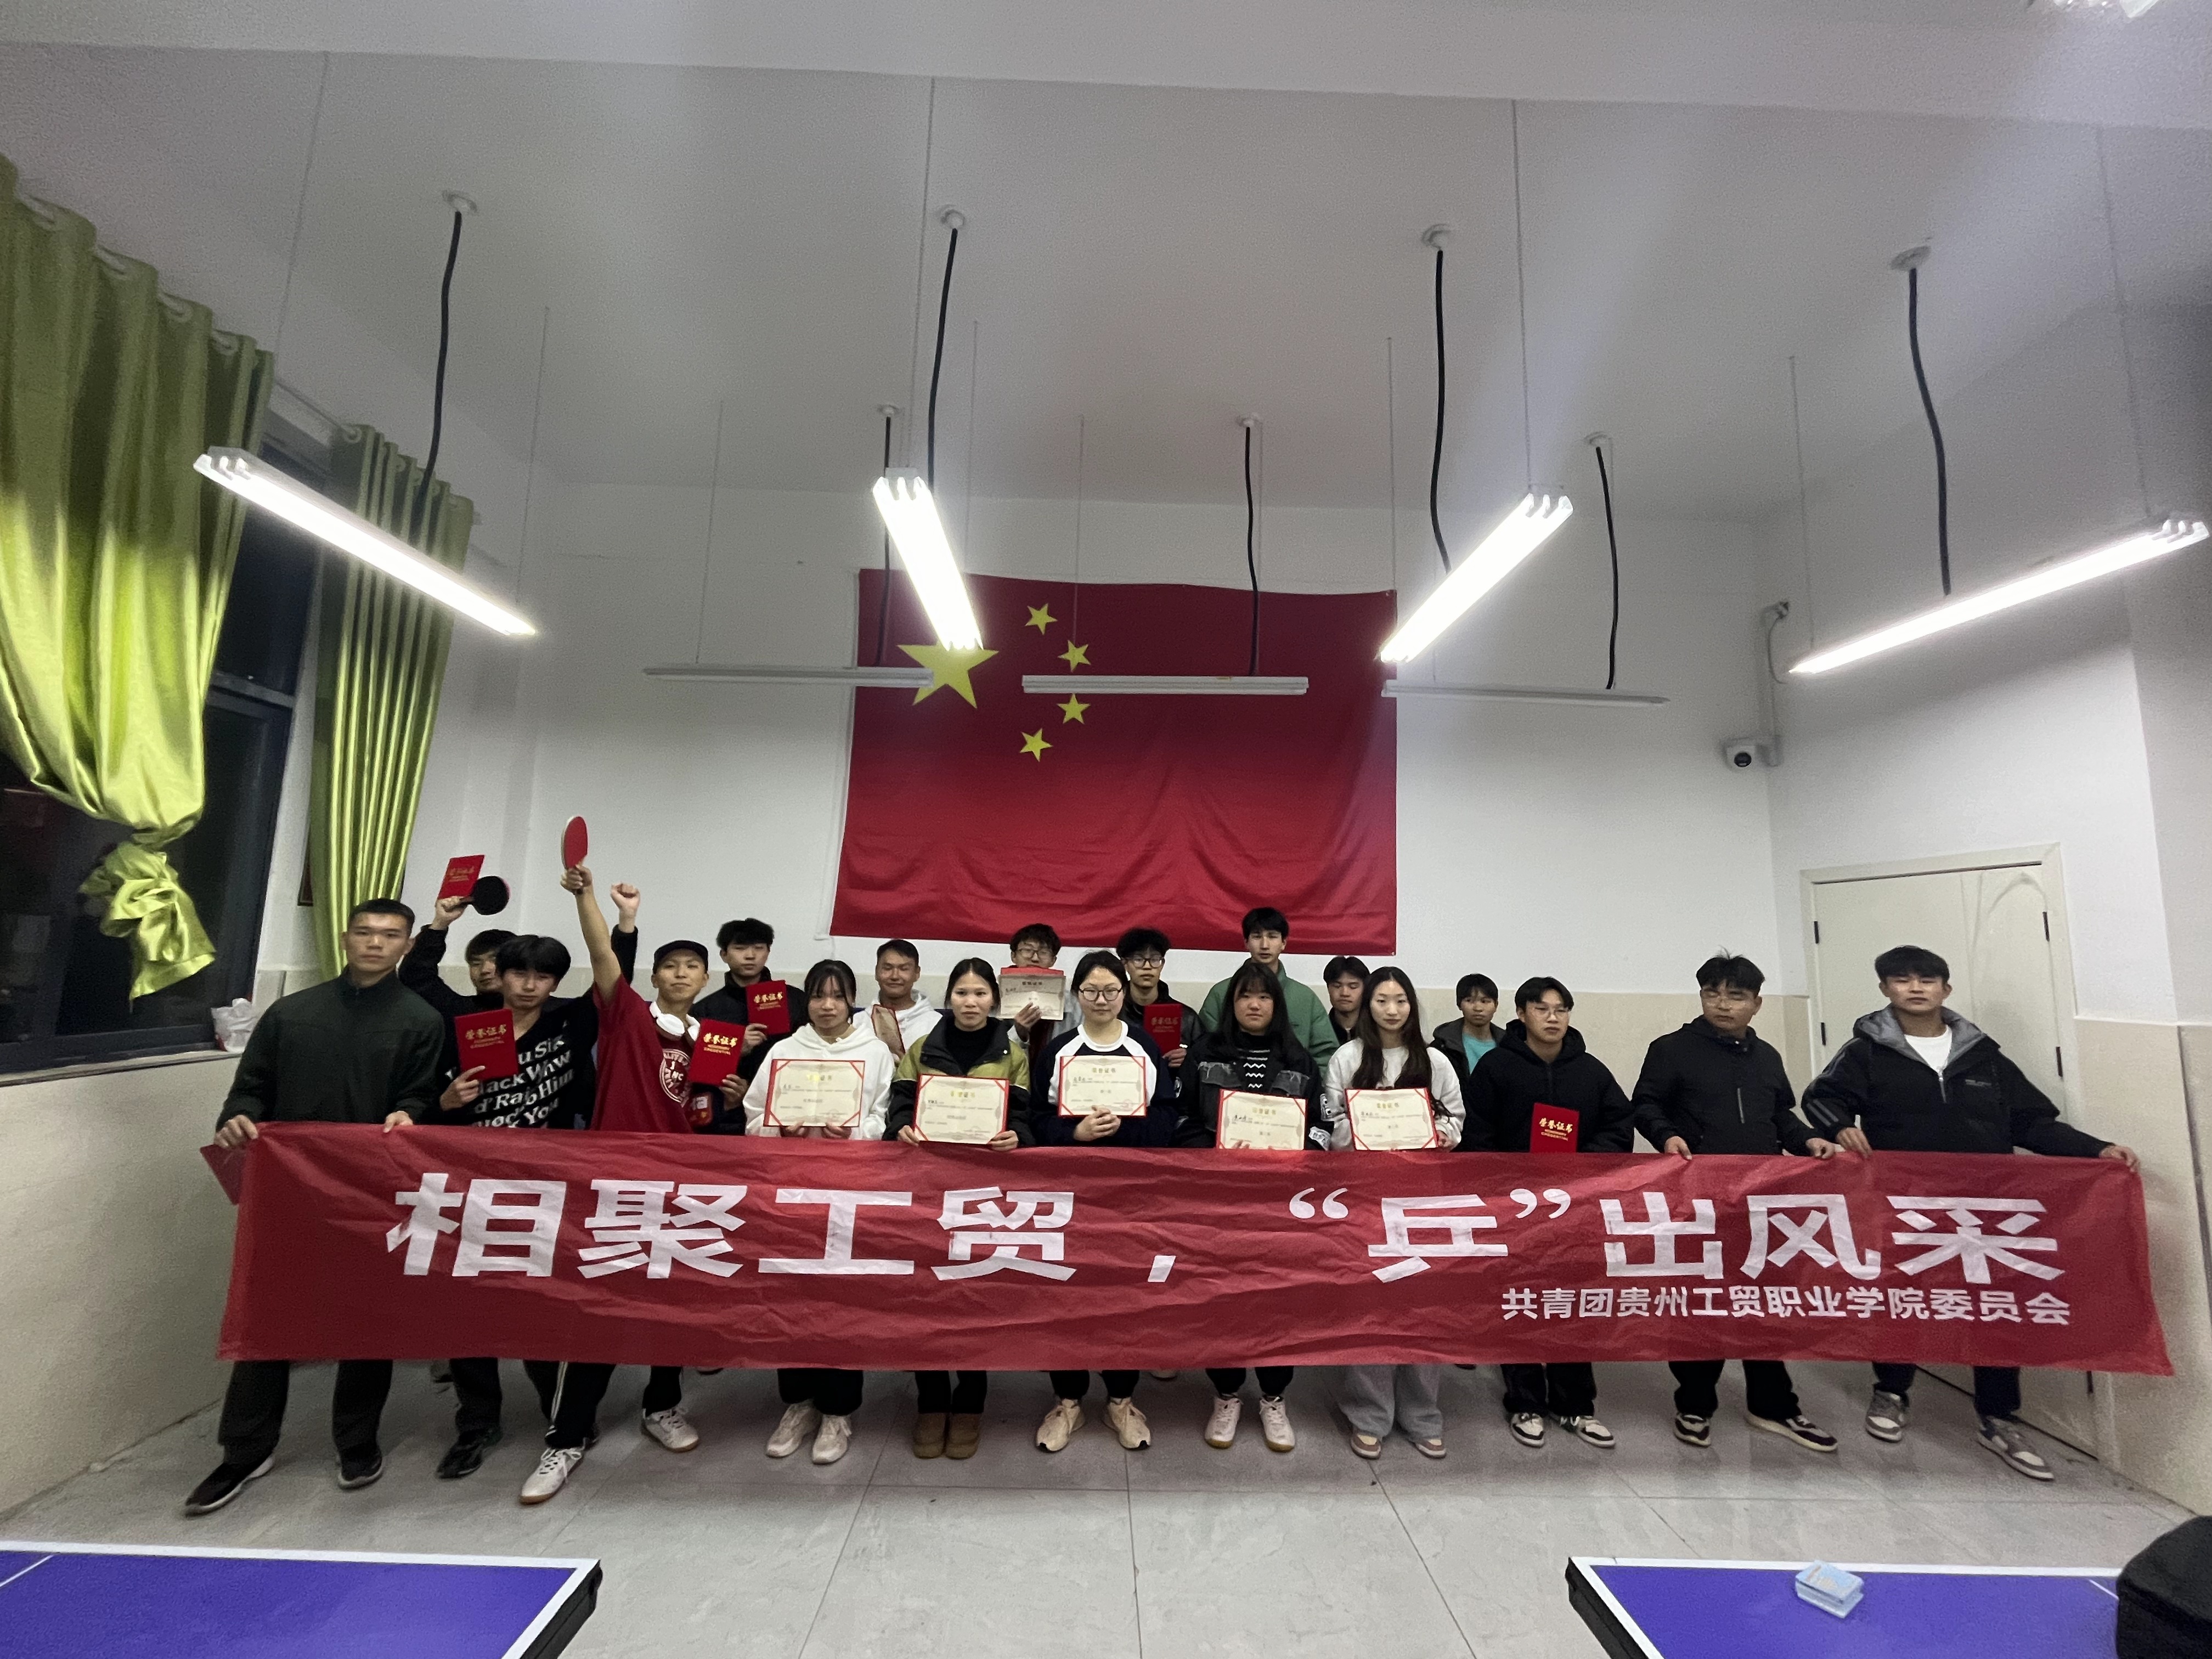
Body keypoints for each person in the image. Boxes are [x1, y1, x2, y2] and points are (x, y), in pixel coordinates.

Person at [1803, 944, 2138, 1482]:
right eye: (1902, 979)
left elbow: (2030, 1122)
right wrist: (1839, 1126)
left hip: (1987, 1207)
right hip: (1905, 1202)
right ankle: (1891, 1392)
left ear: (1946, 989)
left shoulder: (1983, 1056)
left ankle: (1999, 1417)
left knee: (1995, 1307)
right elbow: (1821, 1097)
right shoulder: (1866, 1051)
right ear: (1885, 989)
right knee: (1902, 1297)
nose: (1916, 988)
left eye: (1927, 979)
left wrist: (2095, 1150)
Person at [184, 899, 442, 1516]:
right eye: (365, 932)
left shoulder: (421, 1019)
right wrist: (237, 1118)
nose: (375, 944)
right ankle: (245, 1450)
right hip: (290, 1191)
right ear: (346, 937)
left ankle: (357, 1442)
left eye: (390, 936)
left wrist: (412, 1114)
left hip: (372, 1193)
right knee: (266, 1319)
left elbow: (422, 1095)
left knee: (365, 1323)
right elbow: (250, 1089)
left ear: (407, 945)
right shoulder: (292, 1013)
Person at [516, 868, 714, 1507]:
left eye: (692, 968)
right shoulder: (625, 1015)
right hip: (614, 1186)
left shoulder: (713, 1040)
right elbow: (602, 953)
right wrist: (589, 899)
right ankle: (566, 1437)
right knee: (593, 1313)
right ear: (653, 977)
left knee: (672, 1306)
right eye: (671, 966)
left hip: (679, 1189)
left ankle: (662, 1406)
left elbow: (698, 1110)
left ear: (705, 980)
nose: (681, 975)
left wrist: (725, 1094)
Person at [429, 915, 637, 1482]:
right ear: (498, 975)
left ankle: (560, 1411)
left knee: (542, 1302)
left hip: (548, 1184)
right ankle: (476, 1423)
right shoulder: (465, 1026)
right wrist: (446, 1102)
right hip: (473, 1182)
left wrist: (622, 924)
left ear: (554, 984)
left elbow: (613, 977)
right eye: (519, 973)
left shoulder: (569, 1021)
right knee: (469, 1309)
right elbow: (425, 1100)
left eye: (542, 977)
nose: (528, 985)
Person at [1632, 954, 1844, 1455]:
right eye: (1712, 993)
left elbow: (1781, 1117)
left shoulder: (1766, 1056)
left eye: (1736, 996)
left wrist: (1808, 1141)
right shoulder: (1671, 1050)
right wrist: (1667, 1136)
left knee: (1763, 1302)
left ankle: (1772, 1404)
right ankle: (1695, 1403)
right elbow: (1644, 1105)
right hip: (1699, 1200)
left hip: (1763, 1201)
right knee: (1700, 1304)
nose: (1723, 1004)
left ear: (1757, 1003)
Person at [1464, 976, 1634, 1451]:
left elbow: (1620, 1126)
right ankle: (1525, 1402)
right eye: (1542, 1009)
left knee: (1571, 1304)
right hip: (1516, 1208)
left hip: (1576, 1208)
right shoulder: (1496, 1068)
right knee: (1521, 1303)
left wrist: (1583, 1165)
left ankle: (1575, 1405)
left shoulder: (1591, 1071)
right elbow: (1477, 1136)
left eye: (1561, 1009)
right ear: (1521, 1015)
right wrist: (1507, 1182)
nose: (1553, 1018)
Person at [746, 958, 896, 1466]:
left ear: (852, 999)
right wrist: (779, 1128)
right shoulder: (784, 1051)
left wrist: (852, 1131)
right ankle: (798, 1404)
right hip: (791, 1194)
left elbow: (884, 1118)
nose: (827, 1006)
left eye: (838, 996)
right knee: (791, 1294)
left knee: (842, 1299)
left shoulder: (874, 1052)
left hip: (851, 1192)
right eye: (817, 996)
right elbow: (753, 1115)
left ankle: (838, 1410)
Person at [883, 958, 1031, 1459]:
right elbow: (899, 1103)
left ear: (995, 1000)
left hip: (985, 1195)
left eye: (981, 993)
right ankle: (930, 1401)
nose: (971, 1002)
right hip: (927, 1190)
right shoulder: (924, 1047)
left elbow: (1026, 1114)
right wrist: (900, 1128)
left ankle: (970, 1401)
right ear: (950, 997)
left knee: (975, 1298)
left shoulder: (1012, 1052)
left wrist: (1019, 1136)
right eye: (963, 993)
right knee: (926, 1296)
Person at [1175, 960, 1324, 1452]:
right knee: (1221, 1300)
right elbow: (1180, 1120)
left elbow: (1321, 1129)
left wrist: (1299, 1153)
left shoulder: (1300, 1060)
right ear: (1231, 1003)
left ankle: (1274, 1397)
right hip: (1217, 1202)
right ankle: (1226, 1394)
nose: (1254, 1004)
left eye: (1264, 996)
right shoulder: (1204, 1054)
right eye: (1245, 996)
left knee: (1279, 1302)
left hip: (1281, 1205)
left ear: (1276, 1005)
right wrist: (1217, 1150)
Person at [1032, 950, 1178, 1452]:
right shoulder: (1059, 1049)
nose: (1101, 1000)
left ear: (1124, 993)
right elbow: (1036, 1121)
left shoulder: (1143, 1046)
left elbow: (1167, 1115)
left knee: (1125, 1297)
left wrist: (1124, 1131)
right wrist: (1075, 1134)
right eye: (1091, 991)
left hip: (1130, 1195)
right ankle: (1067, 1402)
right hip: (1070, 1195)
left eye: (1111, 991)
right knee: (1066, 1296)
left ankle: (1121, 1400)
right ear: (1077, 995)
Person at [1321, 967, 1463, 1459]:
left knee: (1423, 1305)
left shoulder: (1436, 1061)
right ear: (1368, 1007)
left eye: (1400, 1000)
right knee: (1372, 1304)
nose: (1392, 1009)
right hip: (1365, 1198)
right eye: (1382, 1000)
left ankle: (1422, 1413)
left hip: (1422, 1199)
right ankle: (1370, 1413)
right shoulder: (1347, 1057)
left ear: (1412, 1006)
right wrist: (1370, 1131)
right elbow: (1331, 1125)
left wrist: (1437, 1134)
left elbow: (1456, 1120)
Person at [1198, 907, 1339, 1067]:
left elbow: (1327, 1056)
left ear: (1283, 943)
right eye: (1257, 936)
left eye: (1272, 937)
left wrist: (1304, 1080)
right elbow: (1203, 1050)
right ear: (1246, 942)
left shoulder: (1305, 998)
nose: (1265, 945)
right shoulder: (1221, 994)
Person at [696, 916, 797, 1087]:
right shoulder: (705, 1010)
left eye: (758, 948)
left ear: (768, 952)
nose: (750, 956)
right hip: (728, 1098)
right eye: (740, 948)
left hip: (786, 1094)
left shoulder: (795, 1000)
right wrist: (737, 1049)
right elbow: (701, 1072)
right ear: (724, 955)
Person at [864, 938, 936, 1058]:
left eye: (904, 969)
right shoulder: (858, 1023)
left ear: (917, 973)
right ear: (876, 972)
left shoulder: (936, 1025)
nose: (895, 976)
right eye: (888, 968)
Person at [1431, 972, 1499, 1100]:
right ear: (1459, 1004)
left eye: (1485, 1001)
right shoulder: (1442, 1046)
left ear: (1496, 1005)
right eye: (1469, 1001)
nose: (1478, 1008)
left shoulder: (1508, 1045)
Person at [1322, 955, 1370, 1049]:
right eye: (1337, 986)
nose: (1345, 993)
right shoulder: (1319, 1030)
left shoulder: (1375, 1031)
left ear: (1365, 989)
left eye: (1353, 987)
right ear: (1328, 988)